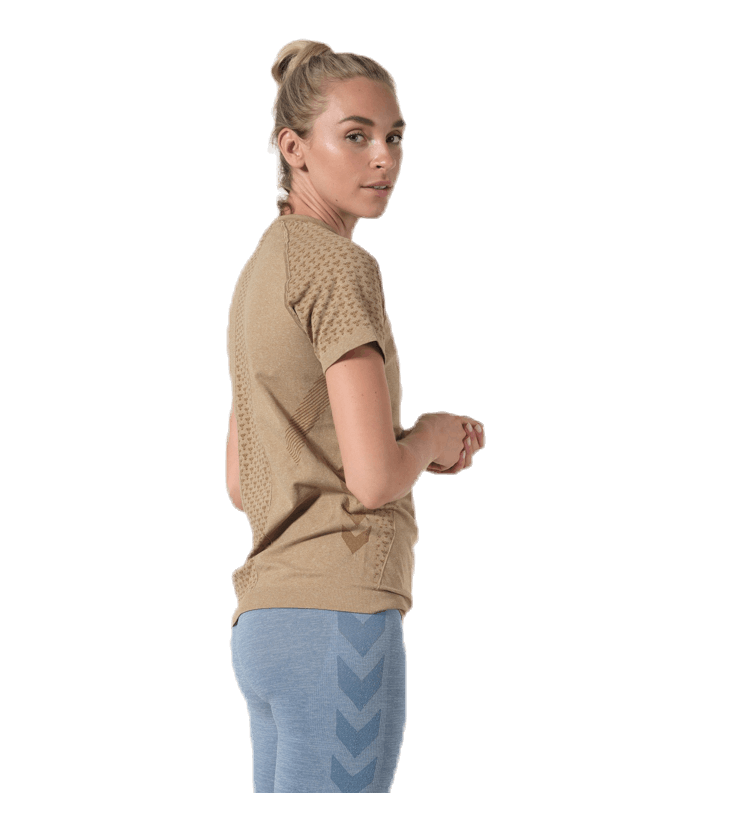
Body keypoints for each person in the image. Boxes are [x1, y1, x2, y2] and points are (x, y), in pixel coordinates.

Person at [226, 39, 486, 794]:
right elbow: (373, 480)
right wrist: (429, 437)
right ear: (293, 147)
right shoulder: (339, 265)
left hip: (266, 623)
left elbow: (242, 480)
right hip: (337, 618)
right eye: (356, 135)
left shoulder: (257, 273)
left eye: (394, 136)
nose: (383, 158)